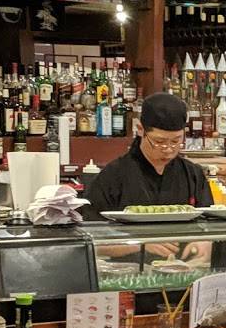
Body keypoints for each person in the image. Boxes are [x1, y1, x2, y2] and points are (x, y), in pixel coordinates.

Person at [83, 92, 213, 260]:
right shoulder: (113, 176)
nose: (168, 149)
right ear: (140, 130)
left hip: (184, 270)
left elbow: (211, 225)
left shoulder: (193, 174)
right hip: (129, 272)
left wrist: (205, 242)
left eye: (175, 141)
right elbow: (91, 239)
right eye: (159, 142)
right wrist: (139, 243)